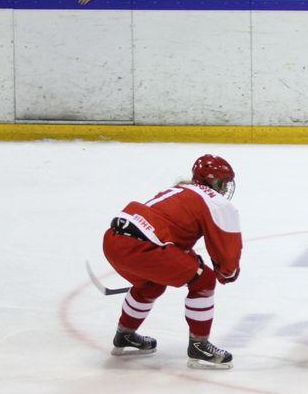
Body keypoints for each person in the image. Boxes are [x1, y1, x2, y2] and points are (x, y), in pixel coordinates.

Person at [102, 155, 241, 369]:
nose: (223, 189)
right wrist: (227, 272)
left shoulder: (179, 190)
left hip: (114, 240)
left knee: (150, 283)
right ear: (213, 183)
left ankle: (125, 335)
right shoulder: (214, 201)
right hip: (142, 248)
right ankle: (199, 345)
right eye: (222, 183)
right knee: (203, 280)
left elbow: (167, 229)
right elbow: (226, 251)